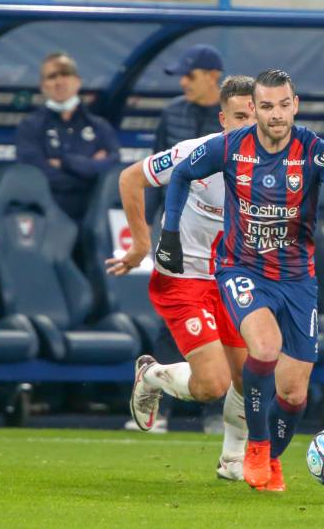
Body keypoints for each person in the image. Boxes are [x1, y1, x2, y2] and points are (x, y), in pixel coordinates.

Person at [151, 69, 324, 492]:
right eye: (266, 106)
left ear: (296, 104)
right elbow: (180, 175)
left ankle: (270, 460)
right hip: (242, 269)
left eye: (283, 105)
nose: (275, 114)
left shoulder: (314, 150)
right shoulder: (232, 146)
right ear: (254, 108)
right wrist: (170, 234)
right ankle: (253, 446)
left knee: (293, 393)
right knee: (265, 348)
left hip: (296, 279)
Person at [109, 76, 257, 481]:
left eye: (256, 114)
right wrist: (140, 244)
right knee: (212, 384)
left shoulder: (277, 167)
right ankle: (152, 375)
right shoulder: (194, 153)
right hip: (184, 279)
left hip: (233, 280)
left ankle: (232, 461)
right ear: (222, 118)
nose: (249, 125)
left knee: (251, 375)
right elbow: (129, 178)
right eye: (239, 116)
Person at [16, 52, 121, 222]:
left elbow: (112, 167)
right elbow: (35, 172)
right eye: (52, 76)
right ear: (43, 86)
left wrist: (65, 162)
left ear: (77, 81)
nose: (59, 82)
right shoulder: (30, 127)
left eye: (65, 74)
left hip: (94, 216)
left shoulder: (99, 126)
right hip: (47, 217)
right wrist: (88, 171)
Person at [144, 45, 225, 225]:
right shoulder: (172, 111)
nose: (183, 82)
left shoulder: (235, 115)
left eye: (190, 76)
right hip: (173, 216)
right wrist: (147, 220)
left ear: (213, 76)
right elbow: (156, 165)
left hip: (218, 219)